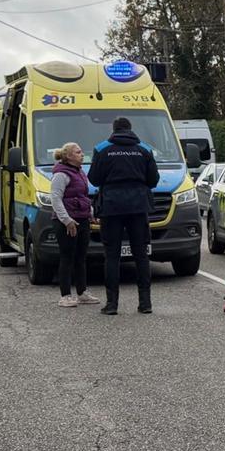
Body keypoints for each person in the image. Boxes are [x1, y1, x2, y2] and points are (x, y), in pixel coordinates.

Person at [87, 117, 160, 315]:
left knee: (112, 255)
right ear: (130, 129)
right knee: (141, 255)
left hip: (111, 207)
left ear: (113, 129)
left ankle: (112, 304)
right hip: (138, 206)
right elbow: (153, 180)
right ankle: (145, 303)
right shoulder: (144, 149)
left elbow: (94, 179)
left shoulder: (102, 149)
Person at [50, 143, 100, 308]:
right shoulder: (61, 174)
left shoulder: (80, 172)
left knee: (81, 257)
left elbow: (83, 196)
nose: (82, 154)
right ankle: (65, 295)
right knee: (67, 257)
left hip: (82, 219)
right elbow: (56, 198)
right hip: (66, 222)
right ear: (68, 156)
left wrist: (90, 213)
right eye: (78, 152)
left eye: (81, 152)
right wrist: (67, 220)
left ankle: (82, 292)